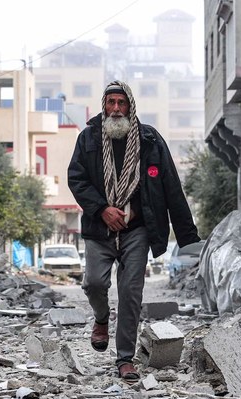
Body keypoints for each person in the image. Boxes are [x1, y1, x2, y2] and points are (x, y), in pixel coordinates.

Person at [67, 80, 200, 381]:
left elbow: (170, 186)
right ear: (104, 106)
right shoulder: (88, 138)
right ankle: (101, 319)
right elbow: (77, 179)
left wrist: (188, 238)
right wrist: (102, 209)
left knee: (130, 293)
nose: (115, 109)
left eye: (121, 103)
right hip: (99, 228)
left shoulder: (150, 139)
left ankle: (124, 359)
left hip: (137, 229)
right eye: (110, 102)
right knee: (94, 284)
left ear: (130, 106)